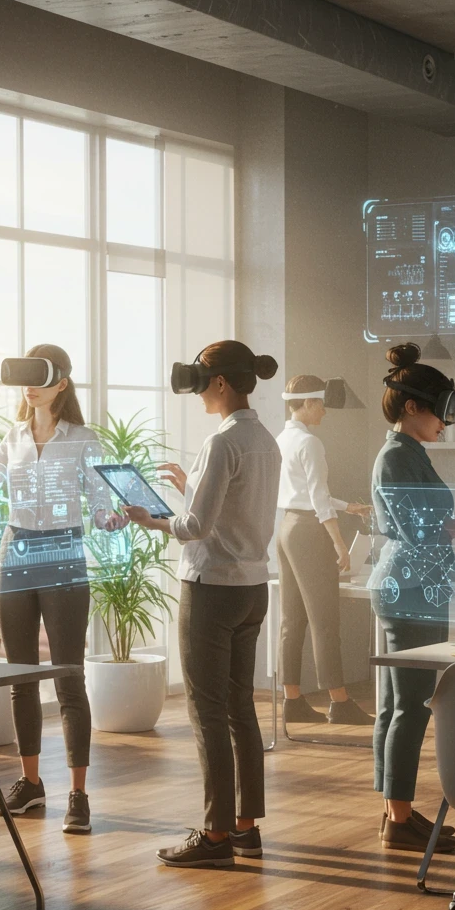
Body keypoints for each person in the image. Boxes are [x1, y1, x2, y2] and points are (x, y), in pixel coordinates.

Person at [0, 343, 126, 835]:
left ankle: (78, 795)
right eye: (24, 375)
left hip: (64, 553)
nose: (29, 385)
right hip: (15, 556)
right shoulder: (13, 436)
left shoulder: (84, 439)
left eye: (38, 376)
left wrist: (114, 519)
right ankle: (30, 784)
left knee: (68, 678)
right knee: (21, 677)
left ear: (61, 383)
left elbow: (100, 506)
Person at [124, 340, 280, 867]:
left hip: (211, 589)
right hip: (252, 589)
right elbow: (237, 509)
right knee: (240, 709)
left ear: (219, 383)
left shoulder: (221, 441)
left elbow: (194, 527)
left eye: (200, 384)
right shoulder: (265, 440)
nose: (196, 394)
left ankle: (214, 837)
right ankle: (245, 829)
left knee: (207, 712)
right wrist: (191, 485)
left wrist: (151, 519)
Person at [370, 344, 455, 853]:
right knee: (411, 707)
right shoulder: (397, 457)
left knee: (397, 705)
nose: (446, 423)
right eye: (440, 412)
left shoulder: (408, 453)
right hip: (409, 592)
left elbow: (423, 527)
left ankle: (396, 813)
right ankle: (398, 819)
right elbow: (421, 531)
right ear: (412, 407)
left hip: (413, 589)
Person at [276, 374, 373, 727]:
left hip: (287, 529)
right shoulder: (311, 443)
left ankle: (292, 700)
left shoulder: (283, 439)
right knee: (325, 622)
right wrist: (338, 542)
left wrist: (348, 507)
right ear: (309, 403)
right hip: (311, 533)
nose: (324, 412)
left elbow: (306, 494)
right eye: (321, 405)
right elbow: (317, 497)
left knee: (291, 621)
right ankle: (340, 702)